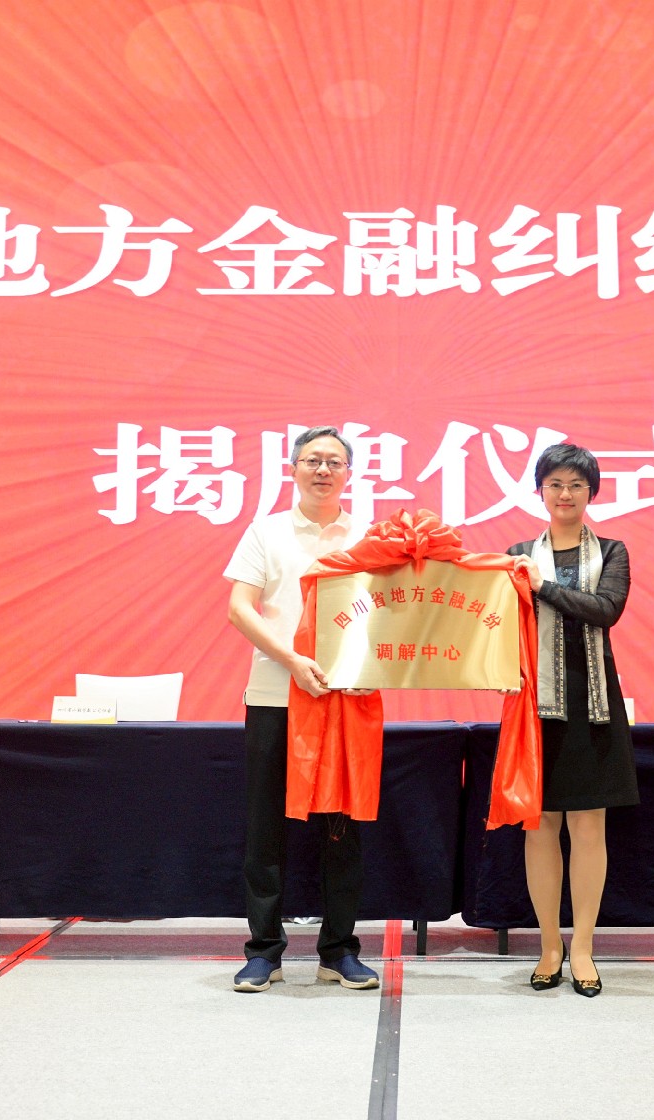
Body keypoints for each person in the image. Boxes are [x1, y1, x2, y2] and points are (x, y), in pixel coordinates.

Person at [223, 426, 380, 994]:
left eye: (334, 462)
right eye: (313, 460)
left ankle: (339, 951)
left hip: (346, 701)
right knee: (266, 829)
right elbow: (240, 608)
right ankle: (263, 952)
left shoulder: (368, 537)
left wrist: (368, 670)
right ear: (292, 469)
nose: (323, 470)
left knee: (342, 830)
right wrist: (291, 660)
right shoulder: (265, 532)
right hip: (275, 695)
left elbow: (391, 614)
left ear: (350, 473)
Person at [507, 443, 637, 997]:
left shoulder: (611, 551)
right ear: (540, 491)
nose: (565, 494)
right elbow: (500, 626)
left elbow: (606, 610)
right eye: (555, 484)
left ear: (591, 493)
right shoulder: (517, 554)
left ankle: (582, 946)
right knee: (539, 827)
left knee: (588, 827)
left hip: (594, 706)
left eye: (576, 485)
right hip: (535, 706)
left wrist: (542, 587)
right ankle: (548, 946)